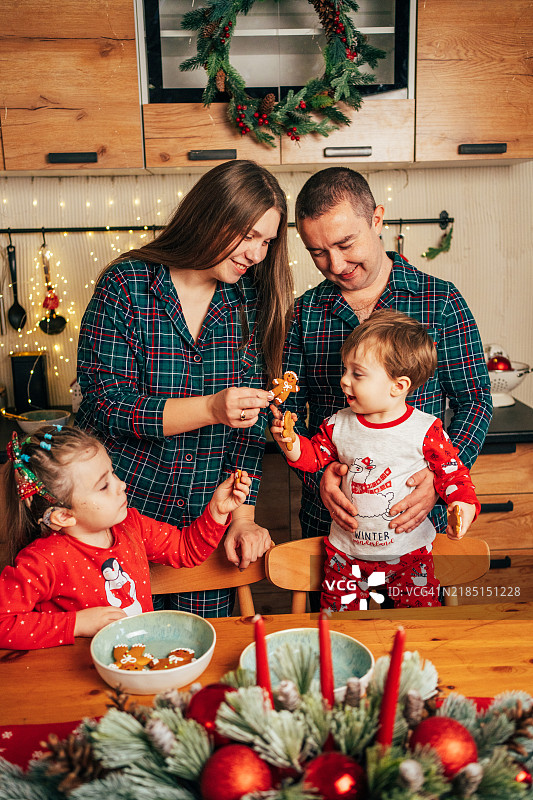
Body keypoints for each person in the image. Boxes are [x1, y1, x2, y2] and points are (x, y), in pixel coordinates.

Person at [77, 160, 293, 617]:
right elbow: (106, 406)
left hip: (206, 524)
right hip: (120, 519)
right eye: (249, 235)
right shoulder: (127, 285)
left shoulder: (250, 304)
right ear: (211, 217)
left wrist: (243, 518)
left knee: (201, 649)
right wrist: (211, 408)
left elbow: (248, 431)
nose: (257, 254)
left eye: (267, 242)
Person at [283, 168, 491, 606]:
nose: (335, 265)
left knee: (417, 632)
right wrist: (320, 476)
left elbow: (474, 402)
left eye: (345, 244)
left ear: (377, 219)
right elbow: (287, 411)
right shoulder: (303, 314)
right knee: (339, 636)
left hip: (416, 529)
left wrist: (438, 479)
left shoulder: (441, 302)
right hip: (333, 527)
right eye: (317, 252)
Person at [271, 310, 480, 610]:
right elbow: (314, 458)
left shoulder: (426, 430)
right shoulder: (337, 424)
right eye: (345, 370)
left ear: (398, 386)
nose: (344, 380)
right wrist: (290, 442)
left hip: (410, 557)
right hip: (345, 557)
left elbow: (454, 475)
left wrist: (463, 505)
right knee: (340, 627)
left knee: (417, 625)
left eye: (357, 374)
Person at [0, 426, 252, 650]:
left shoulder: (132, 525)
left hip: (135, 661)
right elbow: (3, 623)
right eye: (103, 486)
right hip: (75, 675)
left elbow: (186, 549)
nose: (120, 485)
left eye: (112, 473)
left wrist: (217, 511)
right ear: (64, 516)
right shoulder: (44, 560)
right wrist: (76, 623)